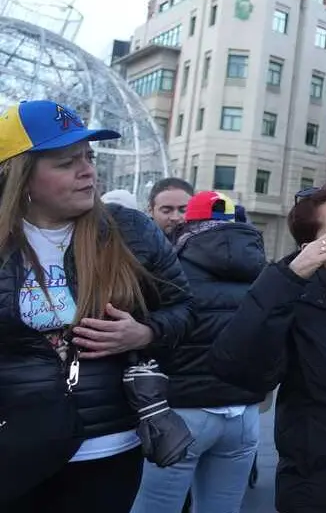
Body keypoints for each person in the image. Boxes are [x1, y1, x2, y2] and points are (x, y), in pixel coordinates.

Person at [0, 100, 193, 513]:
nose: (89, 171)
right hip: (13, 447)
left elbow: (185, 311)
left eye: (89, 157)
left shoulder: (129, 230)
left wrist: (146, 333)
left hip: (107, 451)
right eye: (68, 162)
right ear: (22, 175)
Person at [209, 182, 326, 513]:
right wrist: (290, 274)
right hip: (320, 484)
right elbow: (235, 364)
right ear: (311, 247)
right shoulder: (295, 297)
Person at [133, 192, 267, 513]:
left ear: (188, 222)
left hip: (181, 413)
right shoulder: (263, 270)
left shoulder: (169, 268)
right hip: (243, 415)